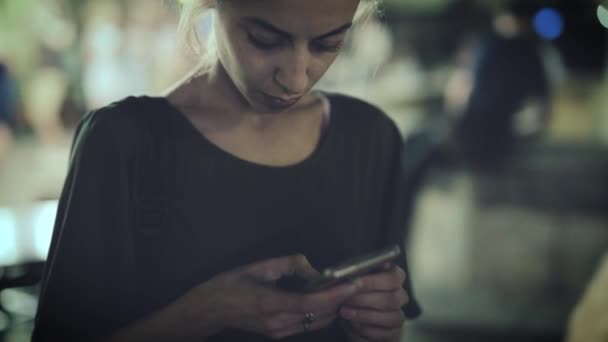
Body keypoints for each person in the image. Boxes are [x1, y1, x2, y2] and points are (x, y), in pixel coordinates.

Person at [32, 0, 421, 341]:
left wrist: (377, 326)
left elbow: (387, 326)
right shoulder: (124, 143)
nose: (296, 77)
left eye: (328, 43)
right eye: (265, 40)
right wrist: (208, 311)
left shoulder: (371, 138)